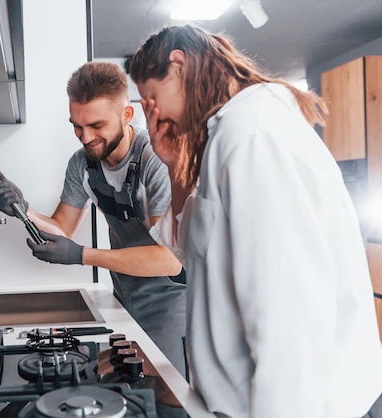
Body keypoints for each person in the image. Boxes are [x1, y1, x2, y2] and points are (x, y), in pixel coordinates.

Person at [128, 24, 382, 418]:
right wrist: (174, 162)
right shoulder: (229, 136)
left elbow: (288, 320)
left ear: (178, 65)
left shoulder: (254, 136)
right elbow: (190, 243)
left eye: (151, 99)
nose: (153, 115)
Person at [0, 61, 188, 387]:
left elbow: (168, 258)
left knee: (168, 402)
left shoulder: (155, 161)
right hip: (126, 300)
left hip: (172, 306)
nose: (86, 137)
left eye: (96, 125)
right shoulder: (83, 164)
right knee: (133, 399)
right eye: (77, 126)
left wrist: (83, 254)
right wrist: (23, 209)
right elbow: (61, 228)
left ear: (127, 115)